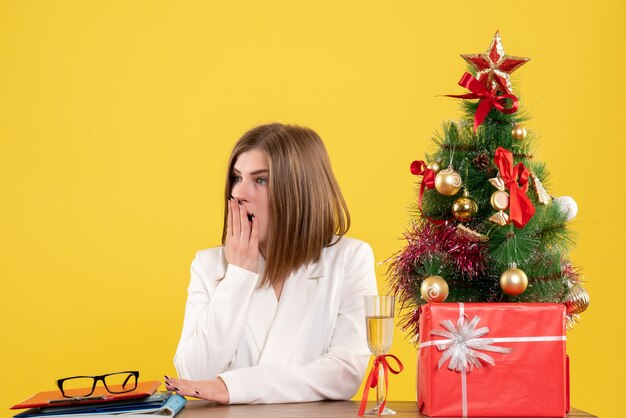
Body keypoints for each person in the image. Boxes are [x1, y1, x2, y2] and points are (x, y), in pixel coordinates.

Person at [165, 123, 378, 404]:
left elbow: (344, 372)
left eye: (260, 180)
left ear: (299, 191)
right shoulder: (208, 265)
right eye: (236, 178)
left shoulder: (349, 258)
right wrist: (239, 275)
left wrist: (236, 387)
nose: (239, 193)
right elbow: (195, 372)